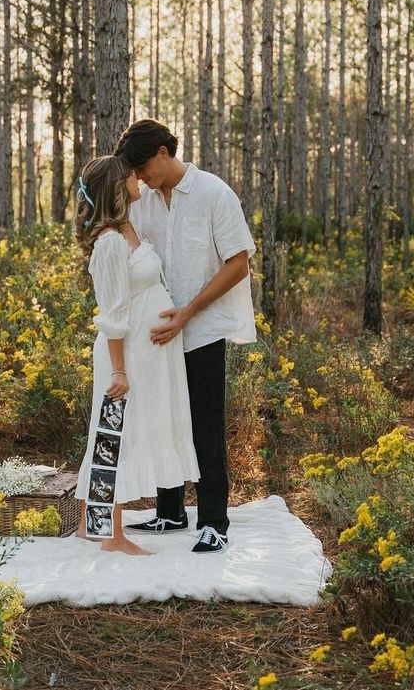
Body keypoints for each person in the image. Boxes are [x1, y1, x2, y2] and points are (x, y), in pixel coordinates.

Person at [115, 119, 256, 554]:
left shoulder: (214, 193)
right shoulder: (142, 202)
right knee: (163, 419)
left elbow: (238, 263)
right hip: (157, 332)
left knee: (204, 427)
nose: (139, 177)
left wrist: (188, 313)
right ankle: (171, 511)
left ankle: (214, 520)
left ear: (163, 151)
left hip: (201, 329)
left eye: (142, 167)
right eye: (133, 172)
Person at [73, 155, 200, 555]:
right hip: (124, 356)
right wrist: (119, 371)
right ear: (116, 184)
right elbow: (112, 314)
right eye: (130, 174)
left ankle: (86, 525)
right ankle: (111, 535)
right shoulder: (109, 243)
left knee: (118, 433)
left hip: (147, 353)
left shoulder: (128, 225)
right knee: (116, 435)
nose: (137, 178)